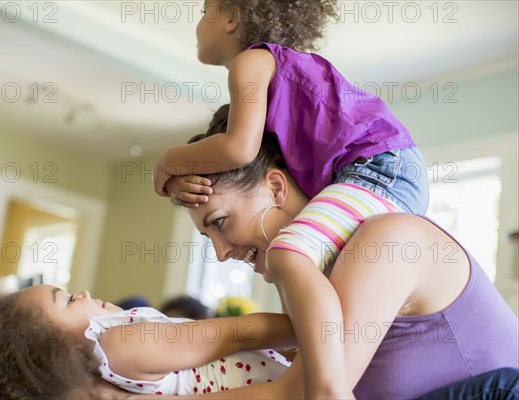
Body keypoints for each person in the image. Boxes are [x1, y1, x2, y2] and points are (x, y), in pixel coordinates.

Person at [155, 1, 430, 395]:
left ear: (232, 15)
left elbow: (239, 150)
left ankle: (328, 391)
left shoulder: (252, 62)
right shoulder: (274, 80)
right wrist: (183, 180)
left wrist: (168, 162)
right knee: (299, 266)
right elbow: (236, 162)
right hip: (388, 169)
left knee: (289, 254)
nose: (218, 252)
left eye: (204, 11)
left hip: (381, 166)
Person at [183, 112, 519, 398]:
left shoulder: (390, 239)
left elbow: (298, 393)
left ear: (275, 187)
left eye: (220, 222)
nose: (221, 252)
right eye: (207, 235)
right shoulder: (316, 281)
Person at [0, 283, 305, 399]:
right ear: (58, 352)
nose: (84, 292)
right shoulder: (124, 344)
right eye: (69, 300)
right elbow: (238, 331)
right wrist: (314, 329)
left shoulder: (109, 368)